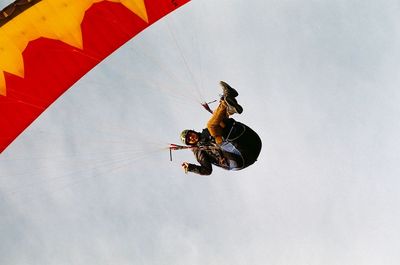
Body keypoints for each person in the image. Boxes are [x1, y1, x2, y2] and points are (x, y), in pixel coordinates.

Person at [180, 81, 262, 175]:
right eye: (189, 139)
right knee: (212, 125)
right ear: (190, 143)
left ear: (193, 132)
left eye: (190, 134)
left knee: (218, 121)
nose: (191, 137)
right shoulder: (198, 150)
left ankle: (230, 107)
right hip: (237, 158)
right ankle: (226, 102)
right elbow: (207, 170)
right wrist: (190, 167)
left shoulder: (206, 134)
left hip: (252, 143)